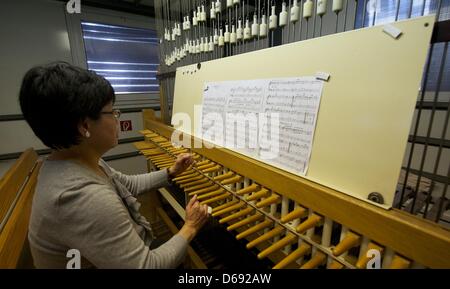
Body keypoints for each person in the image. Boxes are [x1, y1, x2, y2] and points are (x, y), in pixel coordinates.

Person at [19, 61, 209, 268]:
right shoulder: (84, 198)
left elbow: (127, 184)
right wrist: (190, 226)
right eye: (112, 112)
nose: (117, 118)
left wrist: (171, 172)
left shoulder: (73, 160)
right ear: (84, 126)